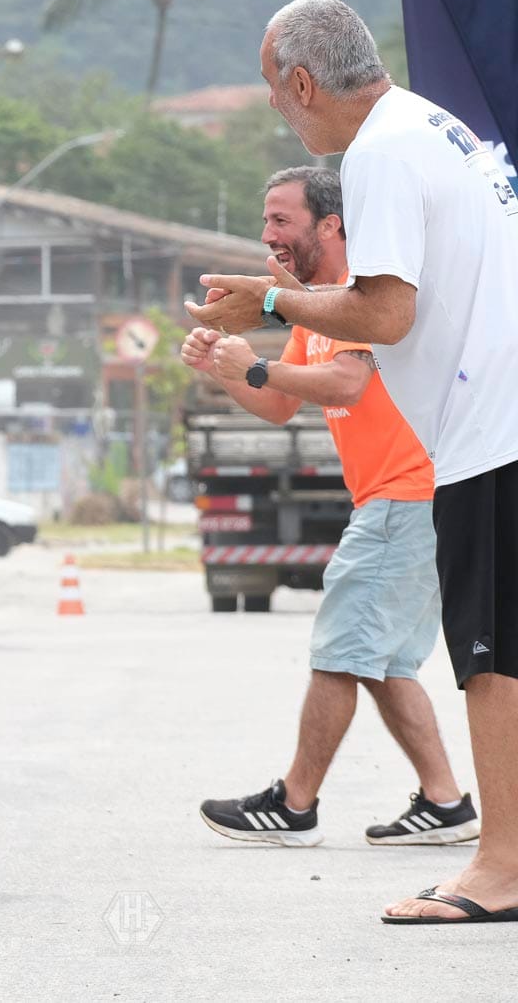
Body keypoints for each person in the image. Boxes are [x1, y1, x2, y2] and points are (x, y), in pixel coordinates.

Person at [191, 0, 518, 924]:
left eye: (270, 87)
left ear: (303, 81)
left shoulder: (375, 152)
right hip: (496, 412)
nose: (273, 108)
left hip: (487, 429)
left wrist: (272, 302)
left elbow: (383, 315)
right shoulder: (433, 126)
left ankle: (500, 867)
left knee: (492, 659)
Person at [186, 166, 476, 848]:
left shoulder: (361, 297)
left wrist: (250, 365)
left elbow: (345, 381)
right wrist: (224, 371)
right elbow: (283, 405)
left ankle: (294, 805)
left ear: (331, 226)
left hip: (404, 499)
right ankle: (445, 802)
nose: (269, 235)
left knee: (340, 651)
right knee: (382, 662)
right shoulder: (308, 306)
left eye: (282, 220)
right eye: (267, 221)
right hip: (394, 500)